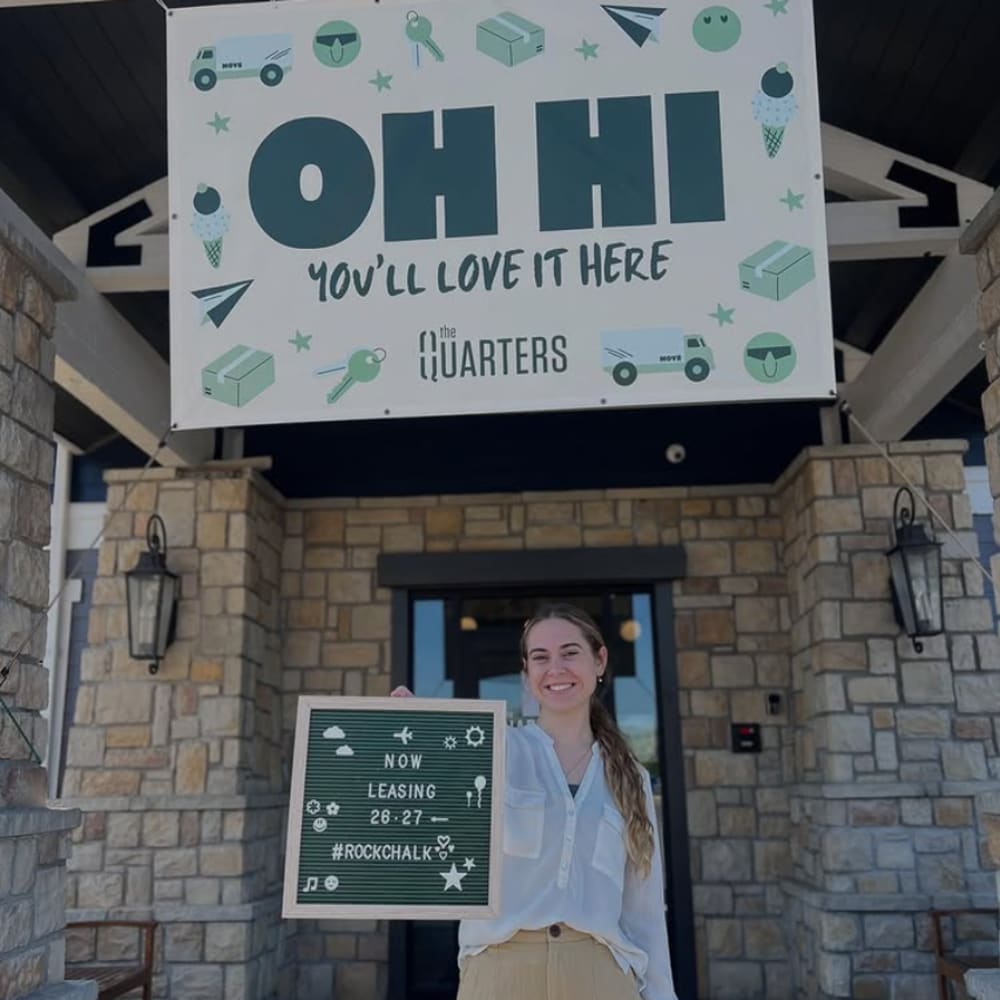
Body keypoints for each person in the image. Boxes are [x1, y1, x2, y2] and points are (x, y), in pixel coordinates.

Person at [392, 603, 678, 1000]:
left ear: (600, 661)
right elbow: (430, 785)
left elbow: (644, 913)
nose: (555, 668)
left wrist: (662, 996)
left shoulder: (632, 776)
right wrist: (404, 727)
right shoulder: (495, 750)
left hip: (601, 977)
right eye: (540, 658)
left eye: (570, 653)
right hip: (499, 974)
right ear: (527, 676)